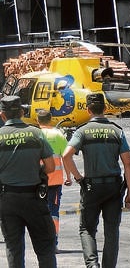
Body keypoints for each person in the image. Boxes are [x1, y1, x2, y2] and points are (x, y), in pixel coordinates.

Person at [62, 93, 130, 268]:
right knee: (111, 231)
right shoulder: (117, 131)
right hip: (113, 187)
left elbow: (66, 156)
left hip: (91, 187)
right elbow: (128, 164)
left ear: (88, 110)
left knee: (87, 228)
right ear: (105, 109)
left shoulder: (83, 131)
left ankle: (92, 264)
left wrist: (78, 178)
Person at [0, 95, 57, 268]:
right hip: (33, 198)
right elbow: (50, 166)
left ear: (2, 115)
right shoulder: (36, 133)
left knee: (14, 247)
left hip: (7, 199)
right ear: (22, 112)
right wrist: (35, 171)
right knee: (45, 247)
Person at [37, 109, 72, 254]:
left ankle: (40, 242)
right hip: (55, 182)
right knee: (53, 213)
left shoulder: (35, 135)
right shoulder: (58, 134)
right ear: (51, 119)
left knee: (38, 213)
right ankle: (53, 244)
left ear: (38, 121)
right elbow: (66, 157)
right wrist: (69, 177)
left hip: (37, 182)